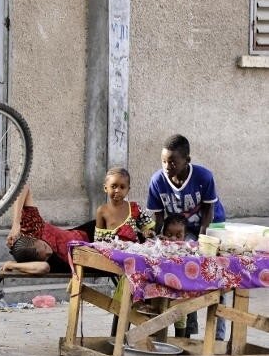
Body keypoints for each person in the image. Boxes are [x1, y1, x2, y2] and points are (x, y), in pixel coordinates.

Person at [146, 134, 227, 339]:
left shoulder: (203, 177)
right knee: (185, 272)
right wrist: (157, 240)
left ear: (187, 160)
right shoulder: (157, 180)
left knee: (216, 273)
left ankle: (217, 335)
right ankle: (187, 331)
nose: (167, 166)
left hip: (209, 226)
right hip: (179, 230)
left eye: (172, 162)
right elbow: (158, 217)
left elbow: (208, 211)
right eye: (164, 161)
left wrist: (201, 241)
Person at [1, 184, 94, 274]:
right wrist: (13, 265)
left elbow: (21, 186)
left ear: (35, 239)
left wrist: (16, 224)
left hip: (90, 233)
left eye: (45, 245)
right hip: (93, 258)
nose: (49, 251)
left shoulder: (34, 229)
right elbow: (43, 267)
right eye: (46, 255)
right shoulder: (45, 263)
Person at [94, 167, 155, 243]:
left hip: (133, 251)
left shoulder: (134, 207)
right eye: (113, 186)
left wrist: (148, 232)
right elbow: (98, 240)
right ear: (105, 188)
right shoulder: (102, 211)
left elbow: (149, 228)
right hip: (112, 252)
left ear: (128, 189)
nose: (117, 190)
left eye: (122, 187)